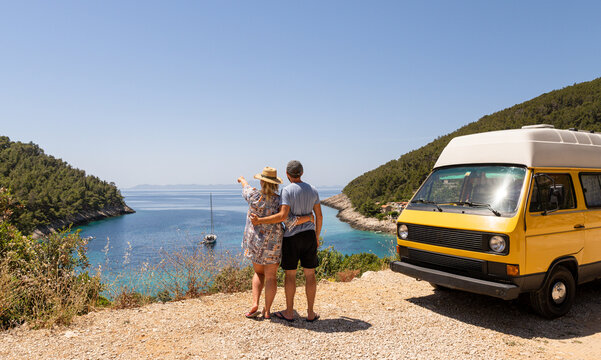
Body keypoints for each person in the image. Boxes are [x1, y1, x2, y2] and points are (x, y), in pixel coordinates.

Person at [251, 160, 323, 322]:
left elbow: (283, 217)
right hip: (309, 236)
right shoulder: (313, 190)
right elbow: (319, 216)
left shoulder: (287, 191)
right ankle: (310, 313)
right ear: (302, 173)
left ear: (287, 174)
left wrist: (260, 221)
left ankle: (289, 312)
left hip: (292, 238)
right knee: (310, 274)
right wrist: (316, 236)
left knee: (290, 275)